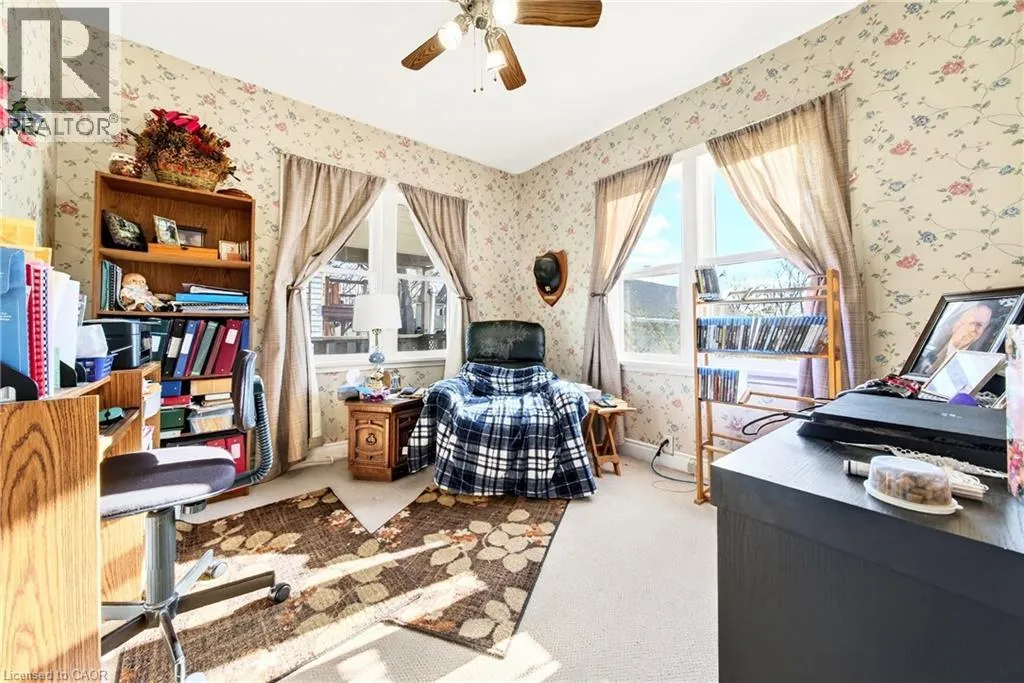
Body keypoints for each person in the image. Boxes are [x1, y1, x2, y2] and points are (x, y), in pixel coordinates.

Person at [918, 303, 993, 375]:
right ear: (957, 324)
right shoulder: (927, 354)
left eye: (980, 325)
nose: (973, 329)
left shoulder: (975, 365)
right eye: (972, 323)